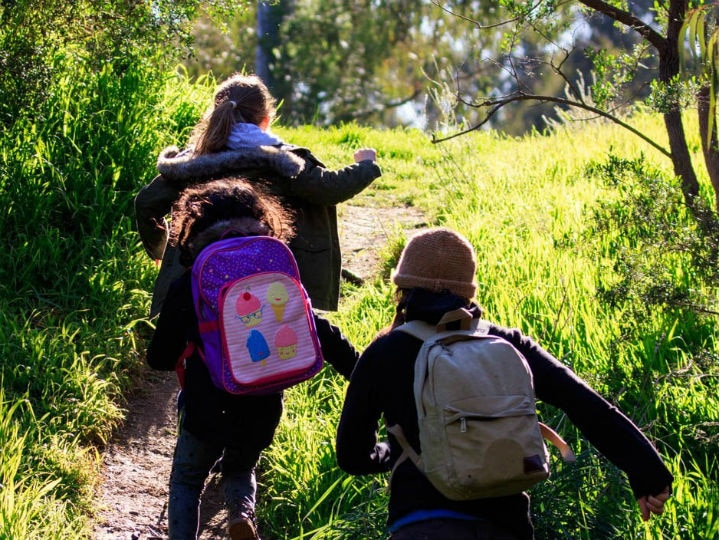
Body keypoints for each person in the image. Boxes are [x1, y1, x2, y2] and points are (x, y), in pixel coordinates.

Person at [335, 228, 673, 540]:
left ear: (403, 290)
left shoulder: (385, 351)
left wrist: (394, 451)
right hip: (505, 525)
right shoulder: (507, 343)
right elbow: (584, 403)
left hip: (421, 525)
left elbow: (352, 456)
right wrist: (648, 473)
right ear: (467, 291)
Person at [147, 178, 360, 540]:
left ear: (194, 226)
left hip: (207, 404)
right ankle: (239, 516)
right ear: (264, 220)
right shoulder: (272, 269)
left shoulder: (192, 278)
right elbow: (315, 326)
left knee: (186, 478)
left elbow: (161, 356)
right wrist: (359, 370)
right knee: (241, 466)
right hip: (264, 402)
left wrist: (175, 356)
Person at [135, 72, 381, 318]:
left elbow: (146, 203)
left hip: (196, 279)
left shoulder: (190, 164)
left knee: (199, 339)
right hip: (269, 279)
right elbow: (330, 188)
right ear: (265, 120)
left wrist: (160, 248)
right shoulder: (285, 163)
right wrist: (365, 165)